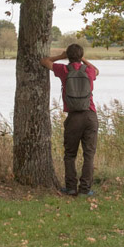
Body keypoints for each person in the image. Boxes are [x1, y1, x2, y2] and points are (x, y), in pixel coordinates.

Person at [41, 43, 99, 196]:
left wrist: (60, 57)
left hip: (74, 117)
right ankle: (85, 190)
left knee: (70, 154)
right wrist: (84, 60)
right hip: (90, 115)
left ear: (68, 56)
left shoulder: (64, 70)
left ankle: (71, 188)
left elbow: (44, 61)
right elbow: (97, 71)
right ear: (81, 56)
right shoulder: (89, 70)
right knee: (89, 155)